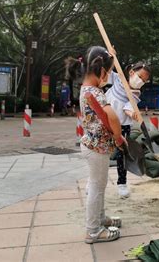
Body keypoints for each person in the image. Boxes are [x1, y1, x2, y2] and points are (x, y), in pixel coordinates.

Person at [66, 46, 126, 244]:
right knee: (96, 187)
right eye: (108, 72)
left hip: (93, 145)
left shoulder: (86, 88)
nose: (109, 76)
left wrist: (112, 55)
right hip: (97, 148)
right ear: (101, 71)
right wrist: (118, 136)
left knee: (98, 185)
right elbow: (113, 117)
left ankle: (100, 219)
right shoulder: (95, 92)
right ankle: (93, 230)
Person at [105, 62, 151, 198]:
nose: (141, 81)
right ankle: (93, 181)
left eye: (144, 80)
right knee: (100, 152)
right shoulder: (118, 78)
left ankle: (122, 184)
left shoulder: (136, 93)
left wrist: (133, 114)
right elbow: (106, 73)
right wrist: (111, 58)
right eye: (140, 77)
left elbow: (128, 108)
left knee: (122, 155)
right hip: (105, 120)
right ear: (131, 73)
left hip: (122, 125)